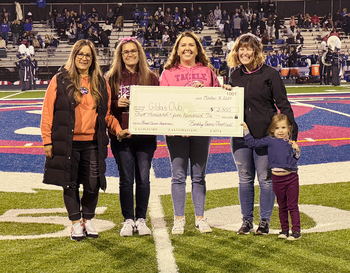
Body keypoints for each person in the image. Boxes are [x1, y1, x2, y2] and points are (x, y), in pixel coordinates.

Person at [41, 39, 127, 241]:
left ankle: (87, 219)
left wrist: (117, 129)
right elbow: (47, 113)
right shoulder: (59, 79)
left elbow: (106, 115)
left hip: (92, 143)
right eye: (80, 54)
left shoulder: (99, 81)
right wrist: (47, 140)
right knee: (69, 184)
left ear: (92, 59)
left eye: (88, 55)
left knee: (92, 183)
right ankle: (75, 223)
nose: (84, 58)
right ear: (74, 55)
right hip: (66, 142)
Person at [225, 33, 298, 235]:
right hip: (240, 136)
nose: (244, 52)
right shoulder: (234, 75)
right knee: (244, 178)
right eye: (241, 48)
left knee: (265, 179)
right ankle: (246, 221)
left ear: (256, 51)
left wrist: (292, 136)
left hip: (266, 136)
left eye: (248, 49)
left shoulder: (270, 74)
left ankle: (264, 221)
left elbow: (283, 105)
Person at [159, 31, 220, 235]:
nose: (187, 48)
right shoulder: (167, 73)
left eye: (191, 45)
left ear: (197, 49)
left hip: (201, 130)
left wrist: (208, 91)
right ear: (177, 49)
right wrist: (178, 125)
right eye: (183, 45)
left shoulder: (207, 71)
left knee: (199, 176)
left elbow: (218, 98)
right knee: (178, 176)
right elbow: (163, 103)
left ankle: (200, 218)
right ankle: (179, 219)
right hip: (176, 133)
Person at [106, 37, 159, 237]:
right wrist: (114, 102)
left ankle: (141, 218)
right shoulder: (111, 78)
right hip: (121, 136)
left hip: (145, 136)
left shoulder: (151, 77)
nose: (130, 54)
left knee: (143, 179)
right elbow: (103, 108)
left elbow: (161, 104)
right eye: (126, 52)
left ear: (139, 54)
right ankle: (128, 219)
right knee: (126, 179)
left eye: (133, 51)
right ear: (120, 55)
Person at [242, 113, 301, 240]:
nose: (280, 131)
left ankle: (296, 231)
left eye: (284, 128)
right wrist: (246, 130)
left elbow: (293, 162)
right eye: (277, 128)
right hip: (277, 179)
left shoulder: (290, 143)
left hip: (291, 178)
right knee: (282, 206)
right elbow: (253, 144)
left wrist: (297, 152)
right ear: (272, 129)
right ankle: (284, 230)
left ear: (289, 129)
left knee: (292, 205)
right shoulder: (269, 140)